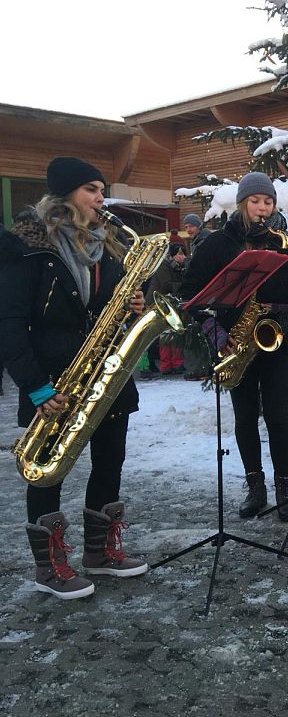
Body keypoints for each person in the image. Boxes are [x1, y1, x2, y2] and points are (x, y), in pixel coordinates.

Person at [0, 157, 149, 600]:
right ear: (65, 195)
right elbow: (8, 322)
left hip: (106, 373)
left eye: (101, 190)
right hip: (54, 381)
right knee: (48, 473)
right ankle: (50, 568)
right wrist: (36, 386)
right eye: (92, 190)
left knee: (110, 463)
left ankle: (99, 555)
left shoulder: (106, 247)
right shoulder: (26, 247)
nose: (101, 200)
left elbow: (105, 310)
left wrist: (133, 306)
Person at [181, 172, 288, 521]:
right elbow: (191, 295)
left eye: (268, 201)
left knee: (279, 417)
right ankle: (256, 488)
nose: (263, 207)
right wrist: (215, 330)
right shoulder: (217, 244)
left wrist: (286, 303)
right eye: (255, 200)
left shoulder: (280, 241)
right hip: (235, 342)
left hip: (274, 341)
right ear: (242, 202)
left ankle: (284, 488)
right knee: (245, 418)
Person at [145, 242, 188, 375]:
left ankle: (176, 363)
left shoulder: (180, 267)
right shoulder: (164, 266)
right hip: (158, 303)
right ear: (172, 255)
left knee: (174, 333)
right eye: (178, 254)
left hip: (170, 302)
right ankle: (166, 365)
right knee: (166, 335)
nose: (181, 257)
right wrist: (183, 285)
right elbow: (166, 285)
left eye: (183, 254)